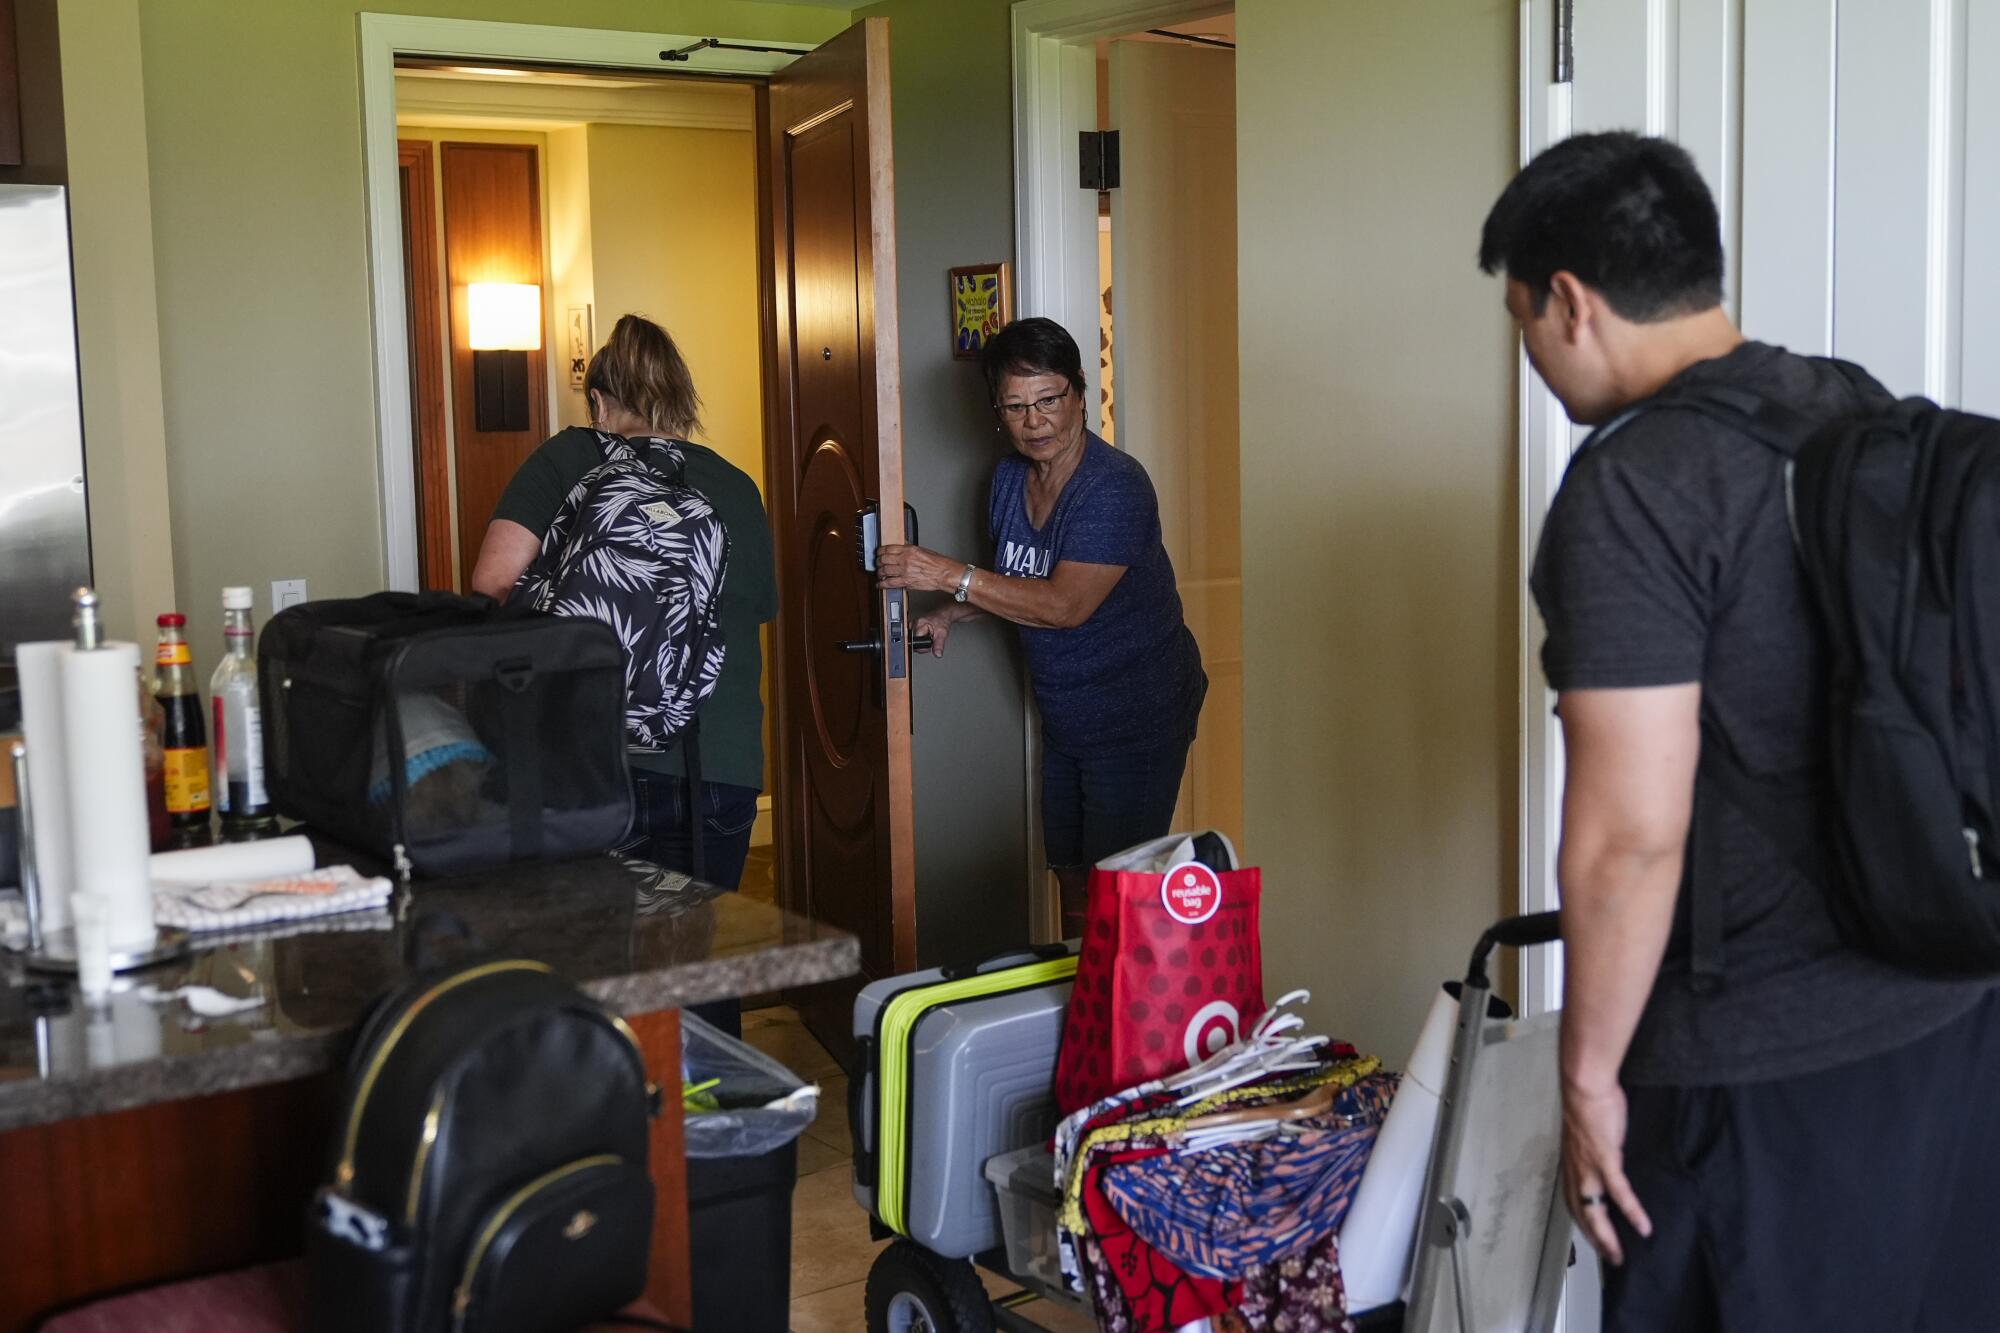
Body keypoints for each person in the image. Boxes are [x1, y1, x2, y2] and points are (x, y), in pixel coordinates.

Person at [1482, 131, 2000, 1330]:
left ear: (1569, 301)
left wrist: (1587, 1078)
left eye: (1520, 320)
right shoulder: (1850, 404)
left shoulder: (1631, 486)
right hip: (1947, 1004)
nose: (1531, 357)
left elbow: (1629, 835)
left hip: (1760, 1071)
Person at [470, 315, 776, 1031]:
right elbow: (752, 610)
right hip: (716, 762)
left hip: (588, 760)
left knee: (600, 965)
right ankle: (716, 1131)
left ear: (601, 401)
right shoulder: (732, 487)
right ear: (680, 399)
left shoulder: (571, 455)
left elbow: (491, 585)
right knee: (702, 963)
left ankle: (623, 1126)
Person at [876, 317, 1205, 929]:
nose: (1036, 422)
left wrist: (946, 574)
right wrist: (956, 611)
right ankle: (1078, 1011)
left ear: (1080, 390)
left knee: (1116, 898)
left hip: (1137, 717)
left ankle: (1112, 1021)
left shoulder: (1113, 487)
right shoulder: (1007, 478)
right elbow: (1022, 581)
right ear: (998, 411)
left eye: (1049, 400)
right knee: (1073, 882)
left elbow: (1063, 606)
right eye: (1016, 407)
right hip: (1069, 718)